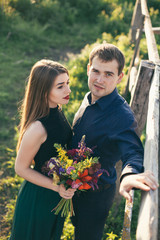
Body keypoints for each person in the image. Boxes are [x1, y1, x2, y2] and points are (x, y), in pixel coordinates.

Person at [71, 43, 158, 240]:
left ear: (120, 77)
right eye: (96, 71)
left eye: (109, 74)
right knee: (75, 226)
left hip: (95, 196)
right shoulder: (90, 97)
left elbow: (133, 152)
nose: (99, 80)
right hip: (73, 186)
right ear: (88, 69)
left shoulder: (122, 116)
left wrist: (128, 176)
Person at [9, 59, 76, 240]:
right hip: (38, 198)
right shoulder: (38, 128)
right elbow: (20, 168)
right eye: (60, 86)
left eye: (67, 83)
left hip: (55, 195)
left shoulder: (57, 110)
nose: (68, 90)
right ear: (44, 91)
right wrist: (57, 187)